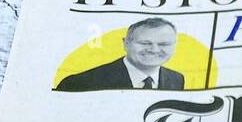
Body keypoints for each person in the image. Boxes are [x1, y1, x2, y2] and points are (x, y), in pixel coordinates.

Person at [56, 18, 186, 92]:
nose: (154, 49)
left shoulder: (176, 79)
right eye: (144, 43)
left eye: (164, 44)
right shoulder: (79, 83)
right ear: (125, 44)